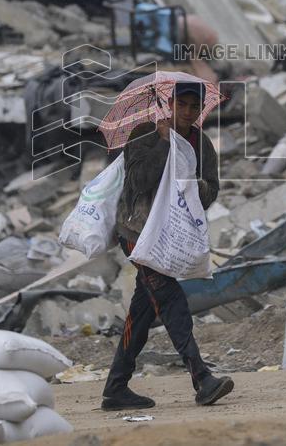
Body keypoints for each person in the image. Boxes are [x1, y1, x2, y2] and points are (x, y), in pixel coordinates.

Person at [101, 81, 232, 411]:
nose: (187, 112)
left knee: (143, 311)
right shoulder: (145, 134)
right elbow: (138, 181)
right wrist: (162, 144)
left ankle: (116, 388)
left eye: (193, 107)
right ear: (169, 104)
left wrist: (190, 188)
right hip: (137, 233)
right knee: (171, 299)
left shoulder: (200, 144)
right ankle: (202, 378)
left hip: (170, 237)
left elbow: (211, 190)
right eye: (182, 105)